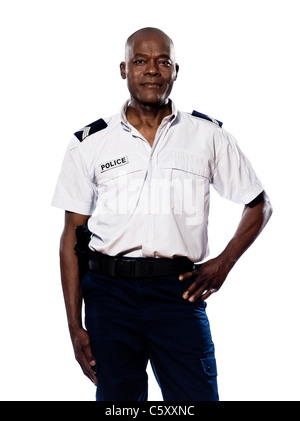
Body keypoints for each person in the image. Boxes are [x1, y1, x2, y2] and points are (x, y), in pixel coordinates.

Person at [52, 27, 272, 401]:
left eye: (162, 61)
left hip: (178, 294)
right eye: (140, 61)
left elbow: (259, 204)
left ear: (175, 70)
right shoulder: (90, 144)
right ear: (124, 70)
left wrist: (223, 262)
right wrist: (75, 326)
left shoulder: (208, 136)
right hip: (109, 296)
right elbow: (72, 236)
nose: (152, 70)